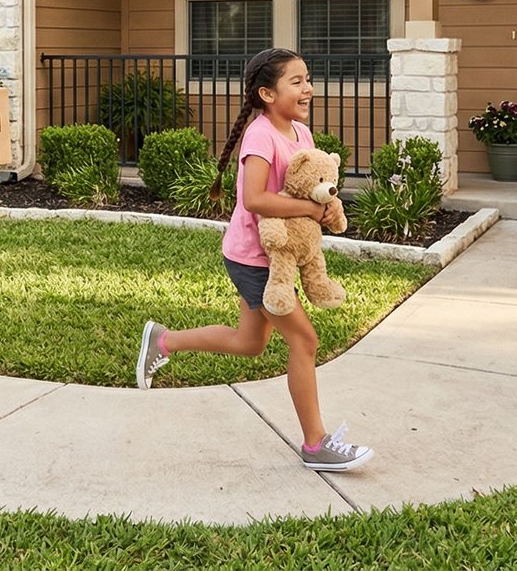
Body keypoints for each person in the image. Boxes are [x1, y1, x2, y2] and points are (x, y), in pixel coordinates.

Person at [134, 48, 375, 472]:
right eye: (296, 82)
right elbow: (255, 199)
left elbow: (306, 192)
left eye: (308, 79)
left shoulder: (302, 135)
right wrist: (310, 212)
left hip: (276, 253)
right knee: (304, 340)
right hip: (252, 257)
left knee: (251, 343)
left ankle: (164, 340)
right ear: (267, 93)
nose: (308, 89)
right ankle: (316, 445)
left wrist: (328, 209)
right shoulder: (261, 136)